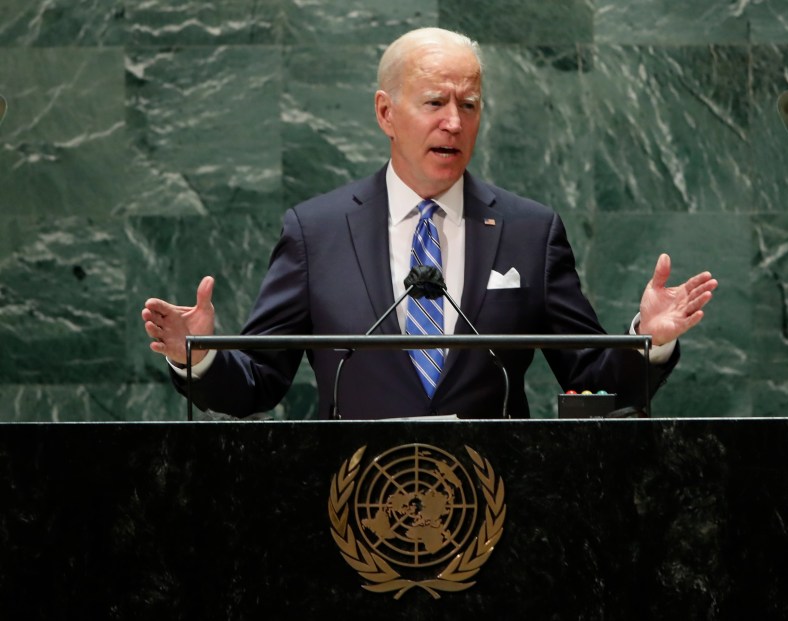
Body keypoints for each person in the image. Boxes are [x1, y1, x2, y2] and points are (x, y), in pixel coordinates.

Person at [141, 27, 717, 420]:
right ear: (386, 113)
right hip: (351, 510)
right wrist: (201, 355)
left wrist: (647, 339)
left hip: (494, 512)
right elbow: (260, 380)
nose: (453, 122)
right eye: (434, 103)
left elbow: (590, 373)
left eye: (469, 106)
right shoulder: (316, 231)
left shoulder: (528, 231)